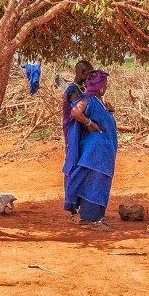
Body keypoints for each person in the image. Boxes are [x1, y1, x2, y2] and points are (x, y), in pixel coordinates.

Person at [63, 69, 118, 228]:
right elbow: (75, 111)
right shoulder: (89, 100)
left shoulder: (97, 102)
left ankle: (92, 217)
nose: (106, 87)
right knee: (95, 181)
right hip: (96, 151)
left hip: (102, 151)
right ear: (100, 87)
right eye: (105, 84)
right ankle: (92, 219)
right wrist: (89, 123)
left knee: (96, 181)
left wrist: (109, 113)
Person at [61, 60, 93, 148]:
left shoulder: (81, 89)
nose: (90, 76)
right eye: (89, 73)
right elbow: (80, 111)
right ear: (82, 72)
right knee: (74, 150)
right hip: (72, 128)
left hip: (79, 126)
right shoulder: (73, 91)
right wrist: (91, 123)